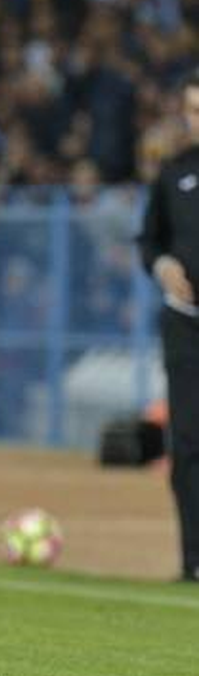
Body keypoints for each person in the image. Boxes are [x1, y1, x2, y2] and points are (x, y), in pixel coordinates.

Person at [137, 69, 199, 583]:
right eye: (194, 110)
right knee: (188, 443)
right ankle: (193, 560)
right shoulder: (173, 173)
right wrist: (163, 267)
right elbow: (149, 240)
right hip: (186, 325)